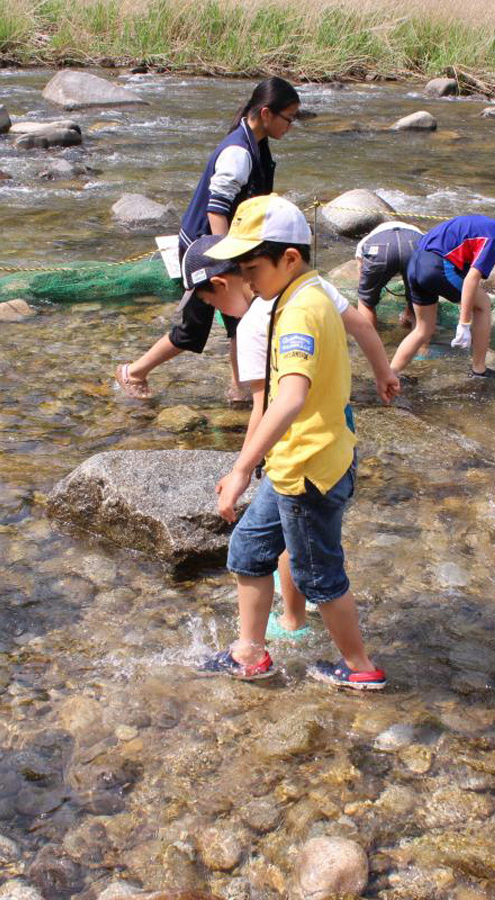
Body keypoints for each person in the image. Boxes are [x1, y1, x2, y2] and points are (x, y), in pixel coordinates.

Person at [203, 194, 386, 690]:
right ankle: (249, 652)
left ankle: (360, 668)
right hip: (297, 462)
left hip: (308, 470)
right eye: (239, 268)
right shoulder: (304, 293)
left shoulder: (301, 309)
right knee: (249, 549)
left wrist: (242, 467)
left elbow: (289, 398)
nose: (245, 279)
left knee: (318, 575)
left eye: (252, 266)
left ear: (289, 258)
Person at [115, 77, 301, 404]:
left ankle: (241, 390)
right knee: (193, 330)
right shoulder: (238, 153)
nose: (291, 126)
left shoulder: (257, 145)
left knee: (241, 319)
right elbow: (217, 209)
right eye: (289, 118)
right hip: (207, 250)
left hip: (223, 246)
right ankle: (133, 372)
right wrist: (230, 261)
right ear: (267, 113)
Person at [395, 195, 495, 377]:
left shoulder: (480, 222)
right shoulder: (494, 239)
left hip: (414, 263)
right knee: (483, 306)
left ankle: (390, 374)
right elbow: (471, 280)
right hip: (437, 266)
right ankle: (479, 369)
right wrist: (464, 324)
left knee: (423, 329)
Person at [353, 220, 424, 330]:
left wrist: (368, 295)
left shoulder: (368, 239)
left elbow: (362, 280)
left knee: (365, 301)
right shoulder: (418, 232)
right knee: (418, 298)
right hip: (414, 244)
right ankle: (421, 345)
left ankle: (369, 343)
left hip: (378, 248)